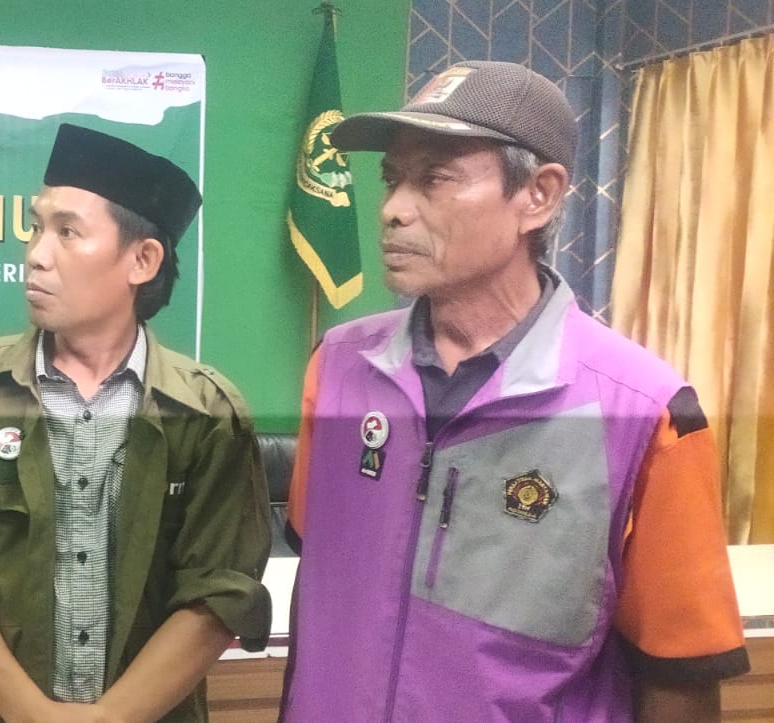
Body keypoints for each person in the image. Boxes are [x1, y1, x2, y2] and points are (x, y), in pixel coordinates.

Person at [281, 61, 749, 722]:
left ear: (539, 194)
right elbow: (318, 595)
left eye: (434, 178)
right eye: (391, 178)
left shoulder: (647, 412)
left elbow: (681, 677)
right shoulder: (336, 368)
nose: (392, 209)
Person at [0, 123, 273, 722]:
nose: (36, 254)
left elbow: (219, 593)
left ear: (142, 260)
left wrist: (109, 718)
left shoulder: (207, 413)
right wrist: (32, 713)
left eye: (67, 232)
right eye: (36, 228)